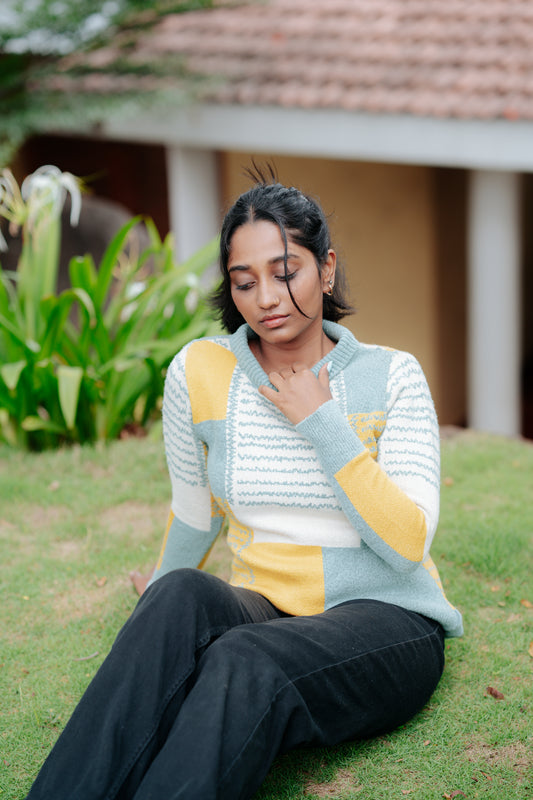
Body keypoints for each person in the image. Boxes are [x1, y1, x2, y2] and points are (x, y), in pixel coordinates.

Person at [26, 172, 463, 800]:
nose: (267, 297)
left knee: (246, 659)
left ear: (327, 269)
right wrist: (161, 595)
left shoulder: (391, 375)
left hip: (386, 621)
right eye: (245, 281)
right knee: (176, 597)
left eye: (286, 272)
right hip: (265, 608)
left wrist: (323, 424)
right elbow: (195, 514)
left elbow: (407, 544)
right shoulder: (201, 371)